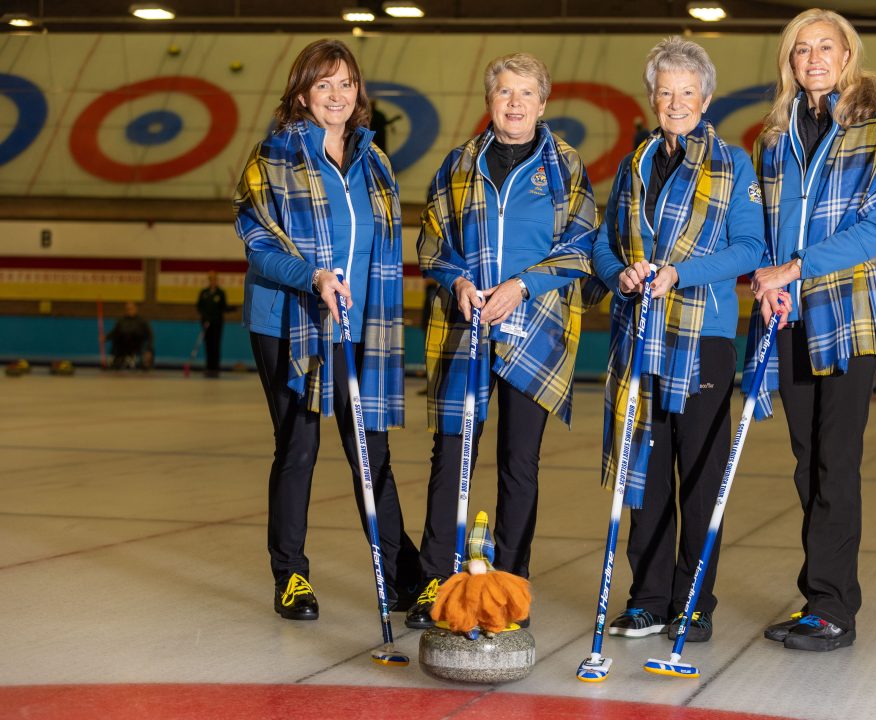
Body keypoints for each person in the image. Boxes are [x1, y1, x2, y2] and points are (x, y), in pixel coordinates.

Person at [408, 52, 601, 629]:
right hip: (464, 328)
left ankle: (511, 588)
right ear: (489, 101)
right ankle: (434, 585)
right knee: (452, 459)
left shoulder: (565, 165)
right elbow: (431, 242)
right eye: (503, 93)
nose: (514, 104)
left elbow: (583, 243)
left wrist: (523, 284)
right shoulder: (457, 165)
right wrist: (458, 280)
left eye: (525, 94)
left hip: (536, 331)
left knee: (520, 462)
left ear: (543, 104)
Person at [233, 38, 421, 622]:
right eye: (323, 85)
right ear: (301, 93)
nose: (336, 96)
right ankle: (290, 577)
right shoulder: (272, 156)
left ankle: (408, 580)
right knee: (299, 446)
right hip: (288, 321)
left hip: (361, 324)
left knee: (372, 451)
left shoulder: (374, 159)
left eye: (345, 83)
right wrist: (311, 276)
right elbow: (258, 241)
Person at [593, 36, 765, 643]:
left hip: (703, 339)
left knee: (697, 474)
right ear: (651, 97)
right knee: (644, 470)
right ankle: (648, 597)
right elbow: (602, 243)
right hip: (640, 336)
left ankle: (694, 601)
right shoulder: (635, 161)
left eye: (687, 91)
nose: (675, 101)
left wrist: (678, 274)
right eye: (665, 91)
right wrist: (623, 273)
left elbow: (752, 249)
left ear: (707, 97)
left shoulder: (733, 163)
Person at [745, 8, 876, 652]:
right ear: (789, 62)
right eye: (800, 49)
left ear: (848, 55)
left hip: (849, 316)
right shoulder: (774, 136)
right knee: (806, 463)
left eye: (825, 47)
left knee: (835, 463)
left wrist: (796, 266)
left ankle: (835, 608)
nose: (813, 58)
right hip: (789, 318)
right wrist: (766, 278)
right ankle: (821, 594)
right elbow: (766, 227)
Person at [196, 271, 228, 377]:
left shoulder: (220, 293)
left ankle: (216, 367)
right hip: (206, 323)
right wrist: (205, 318)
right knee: (208, 345)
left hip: (217, 323)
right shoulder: (204, 292)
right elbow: (199, 307)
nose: (213, 281)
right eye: (211, 279)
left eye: (215, 279)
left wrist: (231, 309)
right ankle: (209, 367)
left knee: (216, 345)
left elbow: (223, 307)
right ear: (209, 280)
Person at [107, 301, 153, 370]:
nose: (129, 311)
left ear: (135, 309)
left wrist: (148, 349)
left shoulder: (142, 321)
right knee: (117, 340)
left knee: (147, 354)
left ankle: (142, 363)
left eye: (131, 308)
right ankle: (116, 361)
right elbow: (114, 333)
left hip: (137, 345)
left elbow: (149, 336)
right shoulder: (121, 321)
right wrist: (105, 338)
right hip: (123, 346)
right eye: (127, 309)